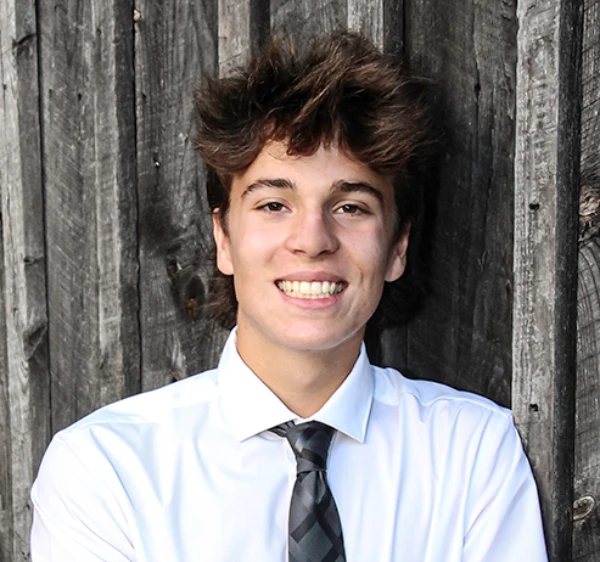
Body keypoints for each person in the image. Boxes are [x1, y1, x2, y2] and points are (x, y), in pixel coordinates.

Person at [30, 32, 548, 561]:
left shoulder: (474, 455)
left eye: (351, 207)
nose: (312, 240)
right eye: (274, 204)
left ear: (397, 248)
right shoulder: (105, 470)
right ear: (224, 241)